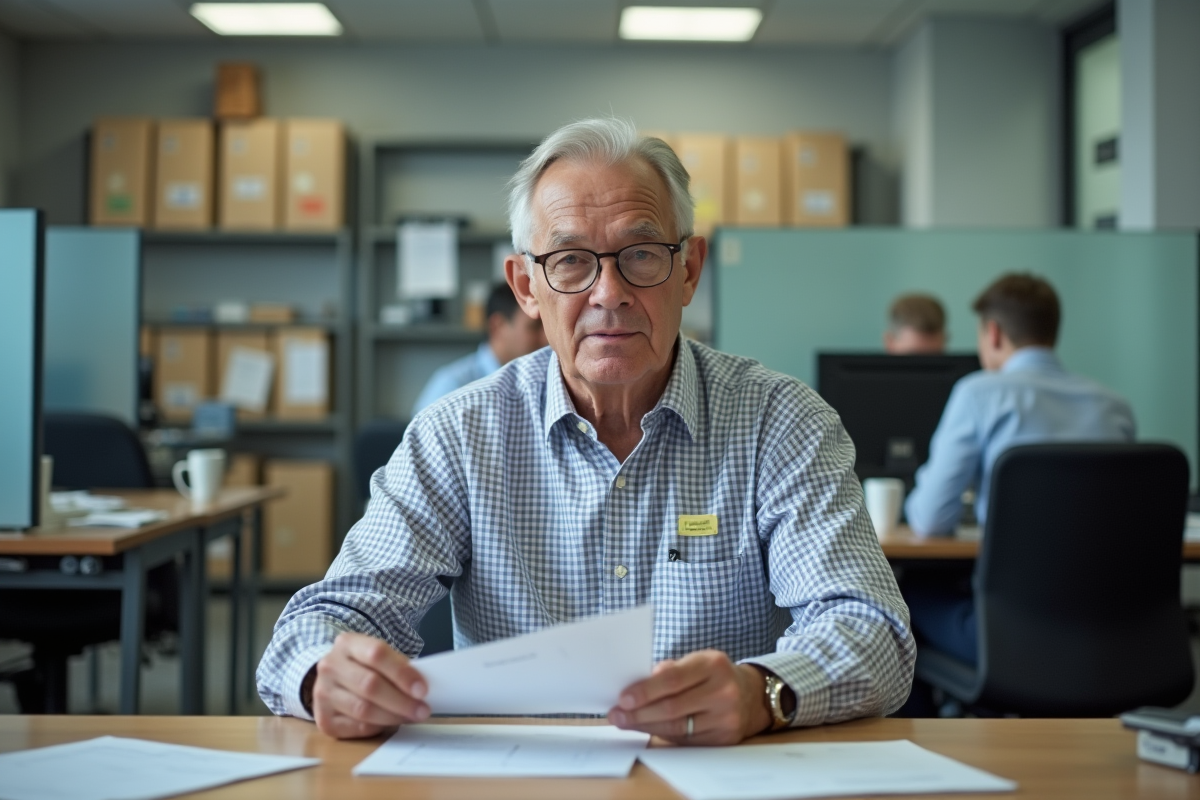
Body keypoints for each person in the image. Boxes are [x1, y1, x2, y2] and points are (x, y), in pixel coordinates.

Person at [257, 118, 914, 745]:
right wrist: (325, 677)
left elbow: (872, 629)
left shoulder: (781, 423)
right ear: (526, 286)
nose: (608, 292)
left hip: (714, 776)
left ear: (688, 270)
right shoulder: (459, 435)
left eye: (641, 254)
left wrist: (761, 693)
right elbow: (318, 625)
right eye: (571, 260)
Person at [901, 273, 1135, 667]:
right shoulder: (1115, 406)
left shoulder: (979, 394)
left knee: (903, 597)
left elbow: (929, 520)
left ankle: (925, 729)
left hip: (1007, 636)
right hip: (1113, 634)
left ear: (992, 333)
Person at [411, 283, 546, 414]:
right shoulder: (452, 387)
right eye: (535, 327)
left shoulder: (542, 381)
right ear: (497, 326)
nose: (546, 338)